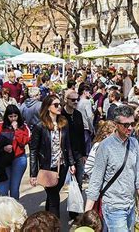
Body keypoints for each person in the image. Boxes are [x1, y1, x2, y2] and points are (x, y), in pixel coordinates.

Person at [85, 105, 139, 232]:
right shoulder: (104, 147)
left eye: (132, 123)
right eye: (125, 125)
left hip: (131, 204)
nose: (130, 128)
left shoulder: (134, 143)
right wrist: (87, 212)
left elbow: (138, 174)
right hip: (113, 207)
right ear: (116, 124)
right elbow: (96, 180)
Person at [29, 95, 76, 217]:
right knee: (54, 198)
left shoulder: (63, 123)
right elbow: (33, 150)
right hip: (47, 167)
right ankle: (55, 225)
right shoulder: (40, 126)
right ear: (48, 107)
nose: (59, 107)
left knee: (52, 196)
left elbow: (68, 144)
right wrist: (33, 174)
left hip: (62, 166)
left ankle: (47, 220)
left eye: (59, 104)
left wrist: (71, 163)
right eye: (56, 105)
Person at [0, 105, 31, 200]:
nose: (13, 119)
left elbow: (24, 141)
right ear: (6, 116)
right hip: (4, 159)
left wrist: (16, 130)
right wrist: (2, 147)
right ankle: (4, 209)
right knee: (2, 189)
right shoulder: (1, 125)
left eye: (15, 116)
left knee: (14, 188)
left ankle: (15, 209)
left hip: (18, 159)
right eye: (10, 116)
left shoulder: (24, 127)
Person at [61, 90, 87, 220]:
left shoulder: (78, 114)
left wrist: (84, 154)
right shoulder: (60, 114)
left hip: (77, 153)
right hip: (63, 154)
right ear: (66, 100)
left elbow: (82, 135)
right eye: (73, 100)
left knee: (78, 182)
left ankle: (74, 211)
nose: (76, 102)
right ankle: (51, 209)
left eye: (77, 99)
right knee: (58, 183)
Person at [77, 85, 95, 155]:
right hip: (86, 128)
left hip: (78, 127)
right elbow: (89, 116)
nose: (89, 93)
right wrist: (92, 128)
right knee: (87, 151)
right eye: (88, 91)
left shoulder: (77, 102)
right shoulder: (87, 102)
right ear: (84, 92)